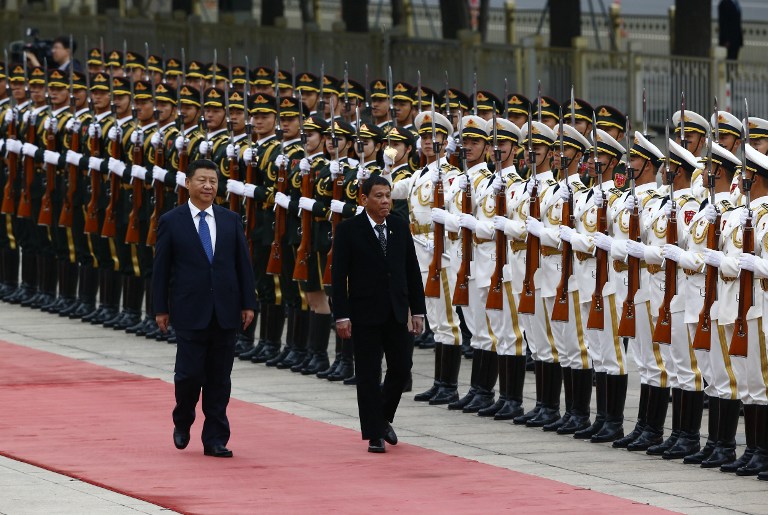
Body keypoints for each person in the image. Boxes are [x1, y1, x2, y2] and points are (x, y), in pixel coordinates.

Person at [152, 159, 257, 458]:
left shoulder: (230, 219)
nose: (209, 186)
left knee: (219, 379)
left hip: (225, 310)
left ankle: (215, 438)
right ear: (188, 183)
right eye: (202, 180)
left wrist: (248, 303)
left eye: (213, 181)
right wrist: (161, 308)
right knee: (188, 376)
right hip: (189, 310)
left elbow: (243, 266)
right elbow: (161, 269)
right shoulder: (172, 220)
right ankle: (183, 420)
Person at [331, 175, 426, 453]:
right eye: (379, 196)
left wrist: (417, 310)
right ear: (364, 199)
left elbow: (411, 270)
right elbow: (339, 277)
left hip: (397, 311)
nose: (385, 201)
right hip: (364, 313)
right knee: (368, 374)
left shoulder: (398, 225)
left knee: (401, 368)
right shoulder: (349, 230)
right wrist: (342, 315)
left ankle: (382, 416)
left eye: (388, 196)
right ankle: (374, 433)